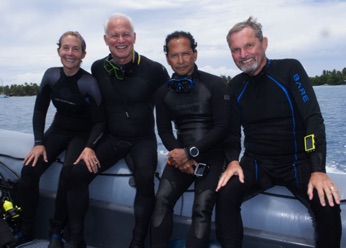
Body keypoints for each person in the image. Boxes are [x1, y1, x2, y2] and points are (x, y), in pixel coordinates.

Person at [215, 17, 342, 248]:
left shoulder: (290, 69)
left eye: (249, 46)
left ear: (264, 43)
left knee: (328, 205)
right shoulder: (234, 86)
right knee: (225, 193)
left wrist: (318, 169)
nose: (243, 54)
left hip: (297, 162)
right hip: (257, 163)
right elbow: (232, 133)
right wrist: (232, 161)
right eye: (236, 50)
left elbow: (313, 119)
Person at [63, 13, 169, 248]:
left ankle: (137, 242)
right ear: (105, 39)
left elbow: (172, 108)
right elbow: (91, 104)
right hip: (111, 138)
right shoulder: (98, 68)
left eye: (125, 34)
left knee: (144, 179)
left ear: (134, 37)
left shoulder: (154, 70)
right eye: (114, 35)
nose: (120, 40)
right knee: (76, 174)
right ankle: (76, 239)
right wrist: (89, 145)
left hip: (143, 140)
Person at [10, 31, 105, 248]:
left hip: (81, 134)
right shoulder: (51, 76)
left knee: (68, 175)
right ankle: (26, 229)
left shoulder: (88, 82)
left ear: (83, 54)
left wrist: (90, 147)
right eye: (65, 48)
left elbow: (100, 121)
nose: (70, 53)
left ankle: (56, 231)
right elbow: (39, 111)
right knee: (29, 171)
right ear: (59, 50)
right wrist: (38, 142)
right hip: (58, 129)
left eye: (75, 49)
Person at [150, 31, 231, 248]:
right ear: (167, 58)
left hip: (212, 157)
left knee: (201, 208)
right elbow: (165, 131)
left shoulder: (215, 85)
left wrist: (189, 153)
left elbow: (222, 127)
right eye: (175, 55)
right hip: (180, 158)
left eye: (186, 54)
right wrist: (180, 155)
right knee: (161, 202)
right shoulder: (162, 93)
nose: (181, 60)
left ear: (195, 54)